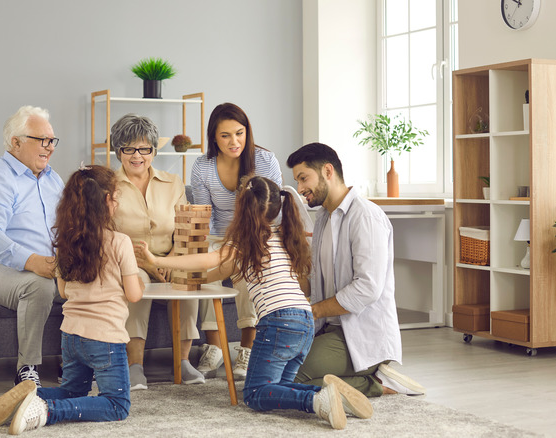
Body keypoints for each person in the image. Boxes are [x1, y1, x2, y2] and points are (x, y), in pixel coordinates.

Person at [137, 176, 373, 429]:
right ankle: (335, 396)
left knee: (255, 394)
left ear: (242, 207)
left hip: (278, 324)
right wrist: (184, 280)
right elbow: (217, 272)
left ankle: (316, 398)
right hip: (305, 323)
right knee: (278, 389)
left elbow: (208, 260)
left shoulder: (245, 242)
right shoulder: (284, 237)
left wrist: (156, 261)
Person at [0, 165, 145, 435]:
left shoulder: (64, 242)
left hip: (70, 336)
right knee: (117, 404)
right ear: (106, 200)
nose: (117, 202)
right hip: (105, 339)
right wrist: (138, 278)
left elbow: (63, 291)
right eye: (116, 196)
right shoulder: (120, 242)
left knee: (71, 390)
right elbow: (133, 294)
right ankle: (48, 411)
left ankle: (27, 398)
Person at [286, 142, 426, 397]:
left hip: (359, 335)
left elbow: (367, 288)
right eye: (297, 181)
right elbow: (316, 281)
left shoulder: (365, 217)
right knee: (273, 368)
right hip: (330, 329)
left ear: (328, 171)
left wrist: (313, 310)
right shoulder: (324, 219)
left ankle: (377, 383)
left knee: (292, 376)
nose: (300, 189)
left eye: (303, 178)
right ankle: (360, 375)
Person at [0, 105, 65, 387]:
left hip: (50, 266)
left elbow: (64, 228)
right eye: (43, 140)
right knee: (39, 285)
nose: (50, 147)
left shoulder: (53, 179)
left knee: (94, 278)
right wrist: (32, 261)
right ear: (16, 142)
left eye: (52, 141)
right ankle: (28, 369)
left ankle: (78, 363)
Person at [110, 114, 205, 389]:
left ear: (153, 150)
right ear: (119, 151)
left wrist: (172, 260)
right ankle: (135, 366)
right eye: (129, 148)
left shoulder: (173, 183)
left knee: (189, 280)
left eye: (144, 148)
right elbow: (109, 235)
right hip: (129, 260)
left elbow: (184, 229)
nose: (137, 155)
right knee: (136, 282)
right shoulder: (107, 185)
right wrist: (150, 265)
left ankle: (183, 362)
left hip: (170, 257)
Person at [190, 102, 283, 380]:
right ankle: (215, 347)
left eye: (240, 133)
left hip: (256, 232)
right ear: (214, 138)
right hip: (218, 236)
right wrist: (219, 247)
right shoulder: (202, 167)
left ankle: (247, 347)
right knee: (204, 268)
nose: (234, 142)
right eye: (225, 135)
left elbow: (274, 210)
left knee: (247, 263)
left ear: (247, 132)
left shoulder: (265, 161)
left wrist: (243, 243)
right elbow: (204, 218)